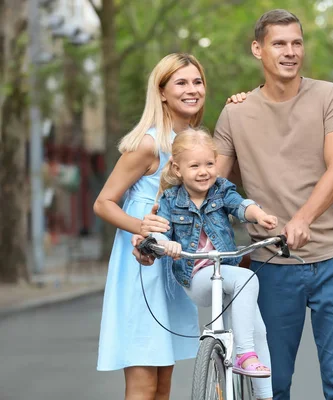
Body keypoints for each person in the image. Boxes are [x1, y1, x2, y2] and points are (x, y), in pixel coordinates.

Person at [214, 9, 333, 400]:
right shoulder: (235, 113)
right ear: (257, 49)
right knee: (271, 387)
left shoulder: (332, 96)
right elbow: (210, 185)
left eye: (297, 42)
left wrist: (302, 218)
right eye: (279, 43)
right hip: (271, 265)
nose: (290, 51)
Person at [93, 53, 206, 400]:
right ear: (161, 92)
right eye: (181, 82)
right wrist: (141, 226)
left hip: (171, 265)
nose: (192, 89)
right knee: (143, 380)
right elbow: (103, 202)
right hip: (142, 263)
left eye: (197, 81)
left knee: (163, 380)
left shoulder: (192, 141)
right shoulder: (149, 143)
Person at [148, 128, 277, 400]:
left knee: (258, 329)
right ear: (178, 168)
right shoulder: (171, 200)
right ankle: (244, 354)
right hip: (197, 278)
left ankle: (265, 395)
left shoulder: (221, 190)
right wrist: (165, 243)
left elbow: (240, 205)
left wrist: (258, 215)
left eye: (209, 164)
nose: (204, 171)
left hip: (225, 270)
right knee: (247, 278)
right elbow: (159, 230)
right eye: (194, 165)